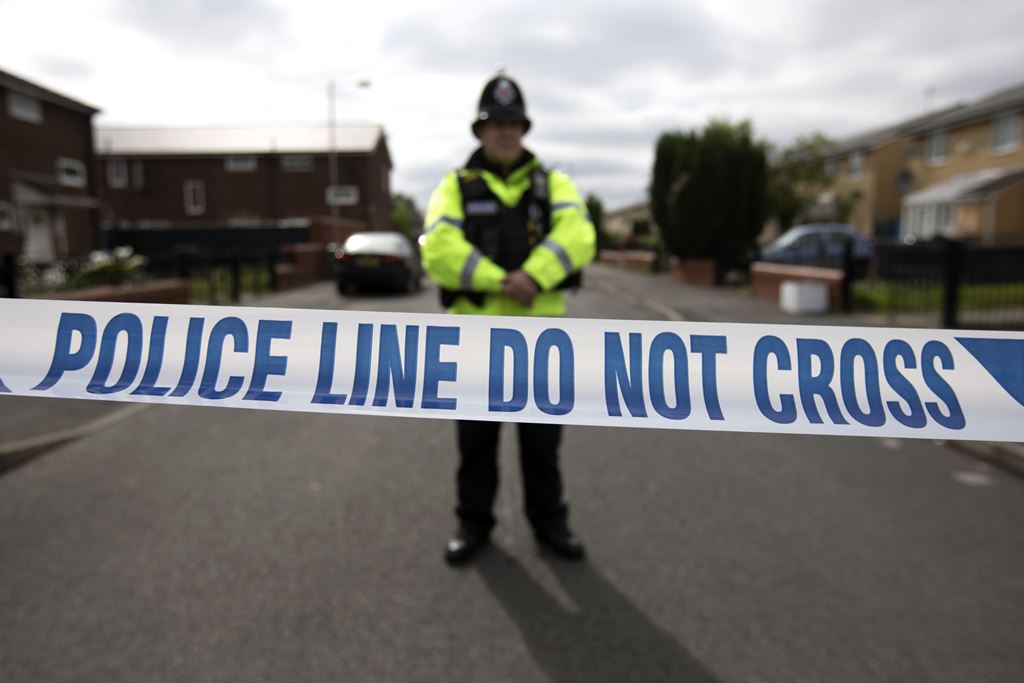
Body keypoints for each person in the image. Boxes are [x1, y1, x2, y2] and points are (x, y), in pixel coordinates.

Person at [420, 73, 597, 565]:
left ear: (524, 129)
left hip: (541, 344)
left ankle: (550, 524)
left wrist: (535, 277)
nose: (504, 131)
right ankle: (473, 523)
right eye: (495, 123)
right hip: (474, 343)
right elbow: (437, 247)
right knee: (476, 445)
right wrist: (503, 280)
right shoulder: (454, 186)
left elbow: (580, 235)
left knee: (543, 446)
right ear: (480, 130)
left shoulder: (554, 183)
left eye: (513, 123)